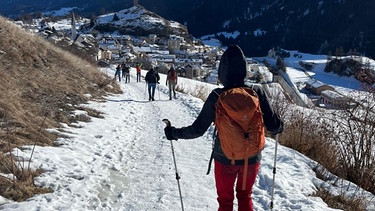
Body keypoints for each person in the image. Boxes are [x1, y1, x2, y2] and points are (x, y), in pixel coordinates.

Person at [163, 45, 283, 211]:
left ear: (222, 72)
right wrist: (278, 125)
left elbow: (197, 130)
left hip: (225, 157)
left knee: (226, 201)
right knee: (245, 196)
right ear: (244, 69)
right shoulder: (257, 92)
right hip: (252, 157)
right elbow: (274, 126)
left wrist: (174, 133)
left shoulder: (216, 97)